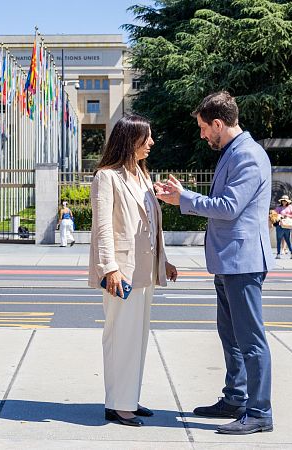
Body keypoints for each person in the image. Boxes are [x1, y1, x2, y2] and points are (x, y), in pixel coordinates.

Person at [155, 91, 274, 435]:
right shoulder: (233, 152)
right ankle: (236, 398)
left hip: (243, 261)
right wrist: (184, 195)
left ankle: (260, 411)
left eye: (204, 128)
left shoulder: (248, 155)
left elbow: (228, 207)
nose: (203, 135)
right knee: (231, 336)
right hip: (229, 261)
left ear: (218, 124)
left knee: (250, 339)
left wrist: (184, 199)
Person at [88, 114, 178, 427]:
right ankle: (116, 404)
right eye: (147, 137)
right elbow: (102, 228)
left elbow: (152, 224)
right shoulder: (106, 176)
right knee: (120, 337)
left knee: (137, 337)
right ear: (131, 140)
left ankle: (129, 398)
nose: (152, 143)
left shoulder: (141, 175)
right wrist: (109, 268)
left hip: (145, 270)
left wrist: (163, 260)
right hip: (122, 271)